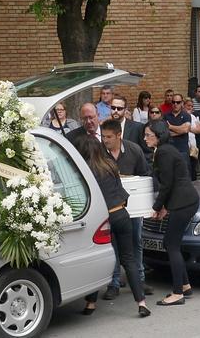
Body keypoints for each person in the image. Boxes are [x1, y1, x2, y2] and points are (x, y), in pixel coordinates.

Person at [74, 136, 151, 317]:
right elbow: (122, 193)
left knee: (98, 261)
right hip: (121, 214)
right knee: (129, 260)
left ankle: (91, 304)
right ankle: (142, 303)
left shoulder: (85, 171)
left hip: (103, 219)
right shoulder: (110, 165)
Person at [143, 120, 199, 306]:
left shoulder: (164, 152)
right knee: (172, 244)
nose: (145, 138)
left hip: (183, 202)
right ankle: (185, 286)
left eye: (148, 135)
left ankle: (177, 293)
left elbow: (166, 184)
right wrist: (164, 206)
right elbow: (170, 182)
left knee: (171, 244)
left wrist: (157, 207)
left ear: (158, 135)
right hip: (183, 200)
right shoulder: (165, 150)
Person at [100, 120, 154, 300]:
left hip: (134, 206)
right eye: (103, 136)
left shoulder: (133, 150)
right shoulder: (99, 153)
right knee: (112, 246)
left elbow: (146, 175)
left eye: (108, 137)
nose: (105, 140)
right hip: (112, 207)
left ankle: (139, 280)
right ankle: (114, 283)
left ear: (118, 135)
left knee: (136, 242)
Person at [164, 93, 191, 172]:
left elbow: (186, 129)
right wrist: (180, 130)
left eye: (178, 102)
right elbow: (165, 132)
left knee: (184, 173)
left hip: (182, 150)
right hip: (169, 150)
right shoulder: (166, 116)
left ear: (182, 103)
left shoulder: (186, 115)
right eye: (173, 102)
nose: (175, 104)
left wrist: (171, 127)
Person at [184, 98, 200, 180]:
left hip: (193, 147)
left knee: (193, 168)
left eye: (192, 106)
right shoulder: (181, 116)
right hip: (184, 146)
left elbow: (198, 130)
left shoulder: (193, 117)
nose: (190, 107)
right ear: (184, 106)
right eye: (188, 105)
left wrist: (187, 128)